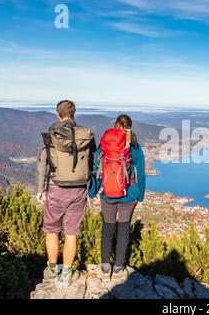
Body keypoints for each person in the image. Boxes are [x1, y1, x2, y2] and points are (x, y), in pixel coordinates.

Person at [36, 100, 96, 288]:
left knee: (52, 230)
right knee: (71, 233)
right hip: (78, 188)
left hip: (55, 187)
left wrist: (40, 189)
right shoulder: (86, 135)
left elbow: (41, 163)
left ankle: (53, 270)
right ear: (74, 113)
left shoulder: (50, 135)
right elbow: (92, 161)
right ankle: (67, 273)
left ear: (57, 114)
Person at [89, 114, 146, 282]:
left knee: (107, 230)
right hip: (129, 195)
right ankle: (119, 266)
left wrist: (93, 192)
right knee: (123, 230)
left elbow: (97, 167)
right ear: (130, 127)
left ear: (115, 126)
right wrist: (140, 195)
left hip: (108, 193)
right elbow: (141, 173)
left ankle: (105, 267)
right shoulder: (134, 146)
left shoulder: (105, 143)